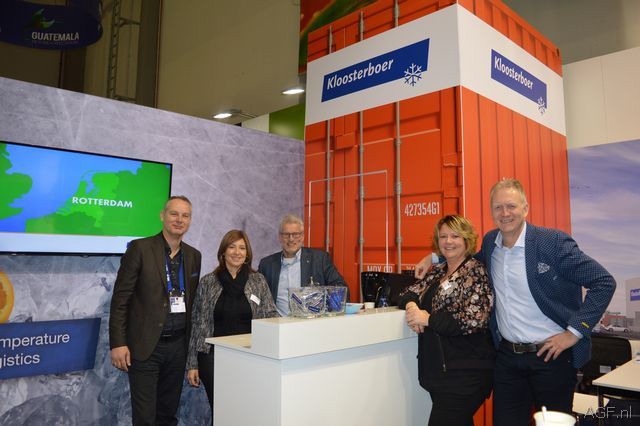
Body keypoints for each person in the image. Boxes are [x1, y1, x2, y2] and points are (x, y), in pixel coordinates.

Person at [415, 178, 616, 425]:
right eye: (498, 207)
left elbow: (603, 282)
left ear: (525, 208)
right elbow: (467, 259)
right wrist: (434, 258)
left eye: (511, 206)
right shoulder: (491, 243)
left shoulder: (552, 242)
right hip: (508, 359)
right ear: (491, 212)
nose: (505, 213)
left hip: (551, 356)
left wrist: (574, 333)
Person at [109, 195, 202, 426]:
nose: (179, 220)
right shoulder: (140, 248)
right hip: (146, 347)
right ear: (162, 216)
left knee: (167, 415)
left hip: (178, 348)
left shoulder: (193, 256)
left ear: (190, 221)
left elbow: (191, 303)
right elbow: (121, 299)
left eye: (185, 216)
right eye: (174, 214)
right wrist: (118, 343)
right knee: (145, 418)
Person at [399, 215, 494, 426]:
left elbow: (474, 319)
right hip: (440, 372)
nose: (448, 241)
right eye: (443, 236)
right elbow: (407, 292)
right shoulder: (439, 271)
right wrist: (412, 306)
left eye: (455, 236)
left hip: (465, 374)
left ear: (466, 240)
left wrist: (428, 319)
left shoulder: (475, 271)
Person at [186, 229, 278, 411]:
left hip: (250, 356)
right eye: (232, 247)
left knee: (244, 409)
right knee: (221, 408)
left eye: (242, 248)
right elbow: (197, 324)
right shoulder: (208, 282)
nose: (237, 252)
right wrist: (192, 364)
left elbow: (270, 315)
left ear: (247, 253)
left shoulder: (258, 281)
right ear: (223, 252)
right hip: (212, 358)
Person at [258, 214, 347, 316]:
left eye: (295, 234)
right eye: (286, 234)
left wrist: (321, 304)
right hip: (277, 323)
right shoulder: (267, 265)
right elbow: (257, 296)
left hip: (311, 322)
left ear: (303, 236)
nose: (291, 239)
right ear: (280, 237)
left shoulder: (319, 259)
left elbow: (340, 287)